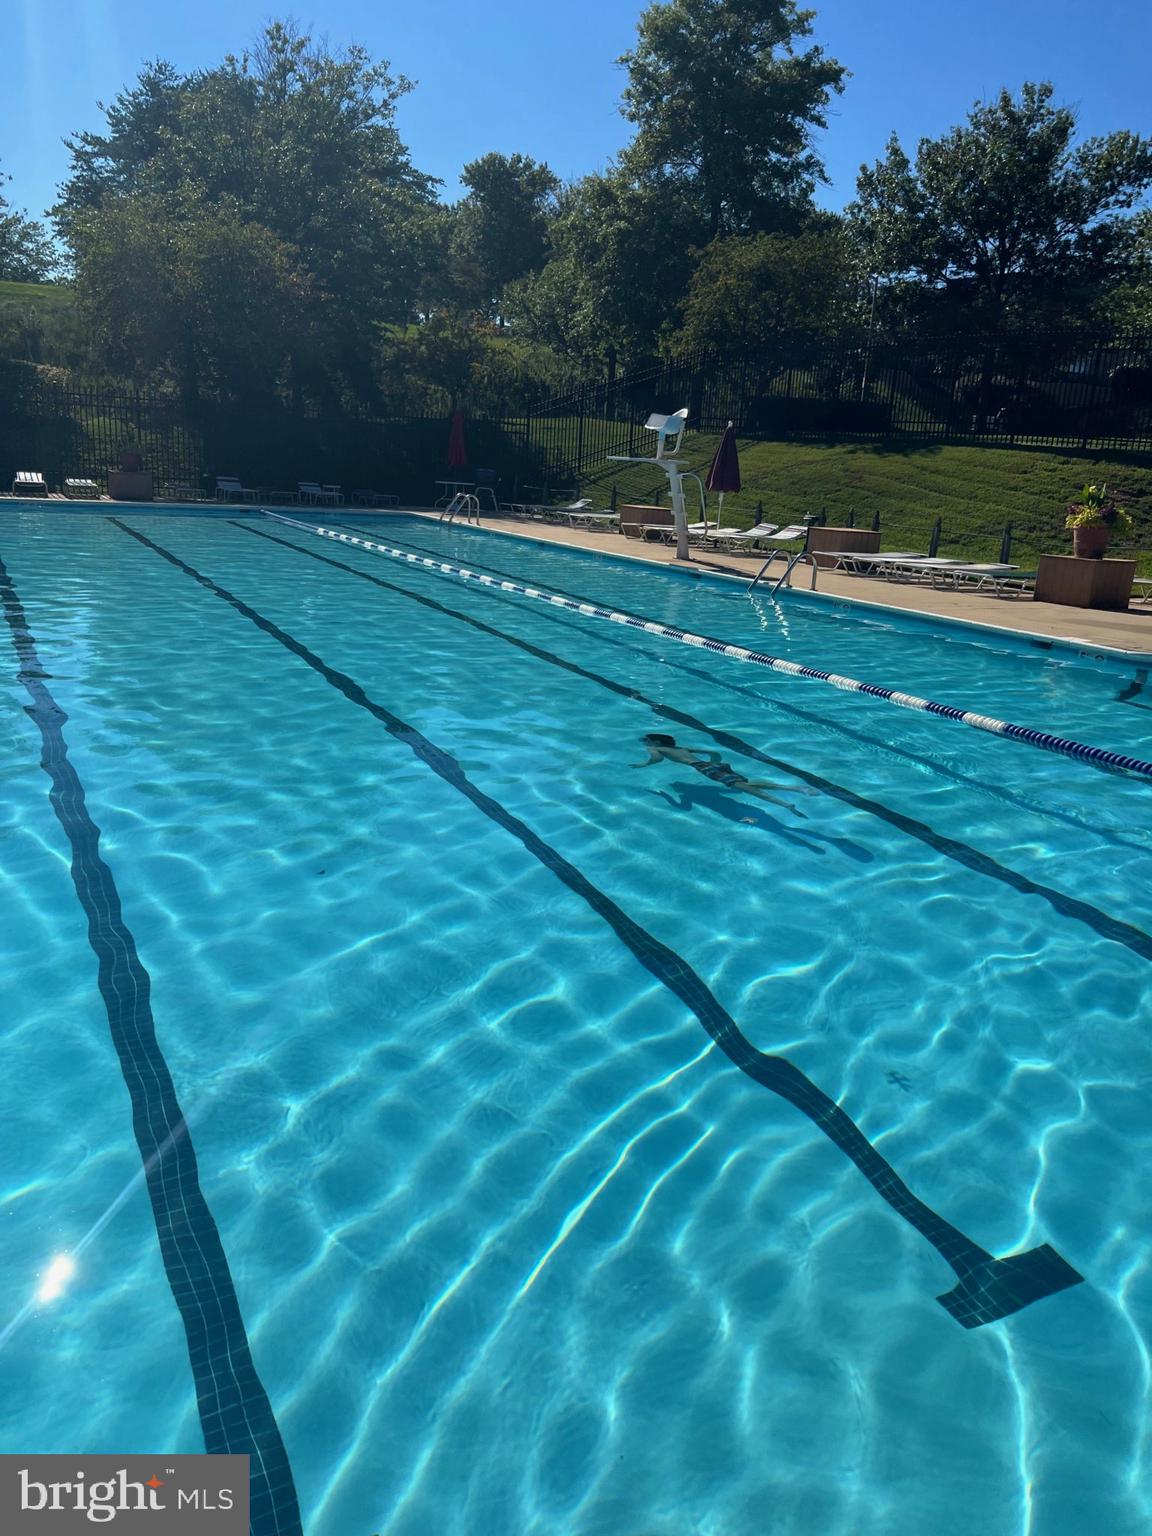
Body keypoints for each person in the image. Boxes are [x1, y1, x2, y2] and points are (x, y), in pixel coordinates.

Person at [632, 733, 811, 814]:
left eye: (646, 741)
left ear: (655, 741)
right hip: (713, 765)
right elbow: (713, 752)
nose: (645, 743)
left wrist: (644, 765)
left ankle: (786, 803)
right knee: (745, 786)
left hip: (704, 768)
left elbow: (656, 760)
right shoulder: (682, 747)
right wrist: (714, 765)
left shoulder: (656, 749)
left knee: (747, 789)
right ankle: (794, 788)